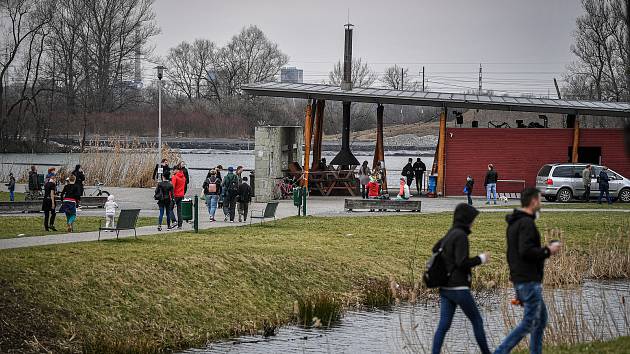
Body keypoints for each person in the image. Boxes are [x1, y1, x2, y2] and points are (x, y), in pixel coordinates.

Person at [494, 188, 562, 354]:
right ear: (533, 201)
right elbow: (526, 251)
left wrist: (515, 279)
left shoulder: (515, 223)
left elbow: (511, 254)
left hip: (522, 279)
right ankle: (500, 351)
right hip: (528, 281)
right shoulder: (526, 224)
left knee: (541, 320)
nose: (541, 202)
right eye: (540, 199)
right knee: (529, 323)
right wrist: (548, 250)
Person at [431, 203, 490, 354]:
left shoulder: (450, 234)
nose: (473, 222)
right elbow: (462, 262)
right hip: (459, 287)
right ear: (466, 219)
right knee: (477, 320)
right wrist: (481, 259)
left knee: (443, 325)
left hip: (445, 287)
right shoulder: (461, 236)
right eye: (472, 219)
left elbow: (435, 249)